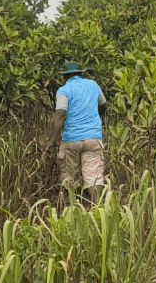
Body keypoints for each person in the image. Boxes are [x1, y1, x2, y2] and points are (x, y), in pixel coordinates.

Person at [39, 61, 107, 205]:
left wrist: (51, 140)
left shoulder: (64, 90)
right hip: (93, 138)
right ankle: (97, 211)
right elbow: (103, 104)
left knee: (69, 179)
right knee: (93, 179)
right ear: (80, 73)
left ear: (64, 76)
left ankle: (71, 210)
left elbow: (60, 115)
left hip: (71, 139)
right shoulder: (93, 85)